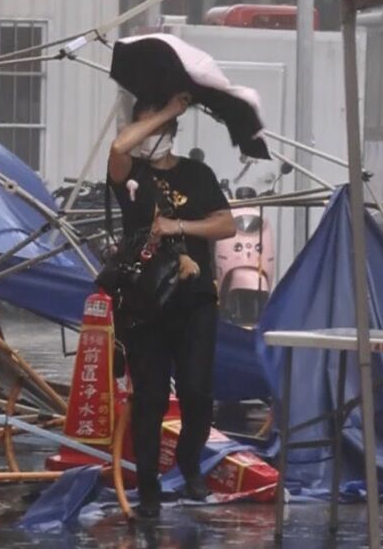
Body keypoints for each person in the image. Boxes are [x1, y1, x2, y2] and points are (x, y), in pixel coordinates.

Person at [107, 91, 235, 518]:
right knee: (151, 397)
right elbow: (119, 147)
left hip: (195, 300)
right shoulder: (130, 173)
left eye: (157, 129)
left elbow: (226, 224)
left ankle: (189, 461)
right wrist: (163, 109)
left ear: (173, 135)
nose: (147, 136)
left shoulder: (198, 174)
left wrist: (179, 225)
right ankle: (147, 486)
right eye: (143, 126)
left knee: (198, 391)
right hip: (145, 303)